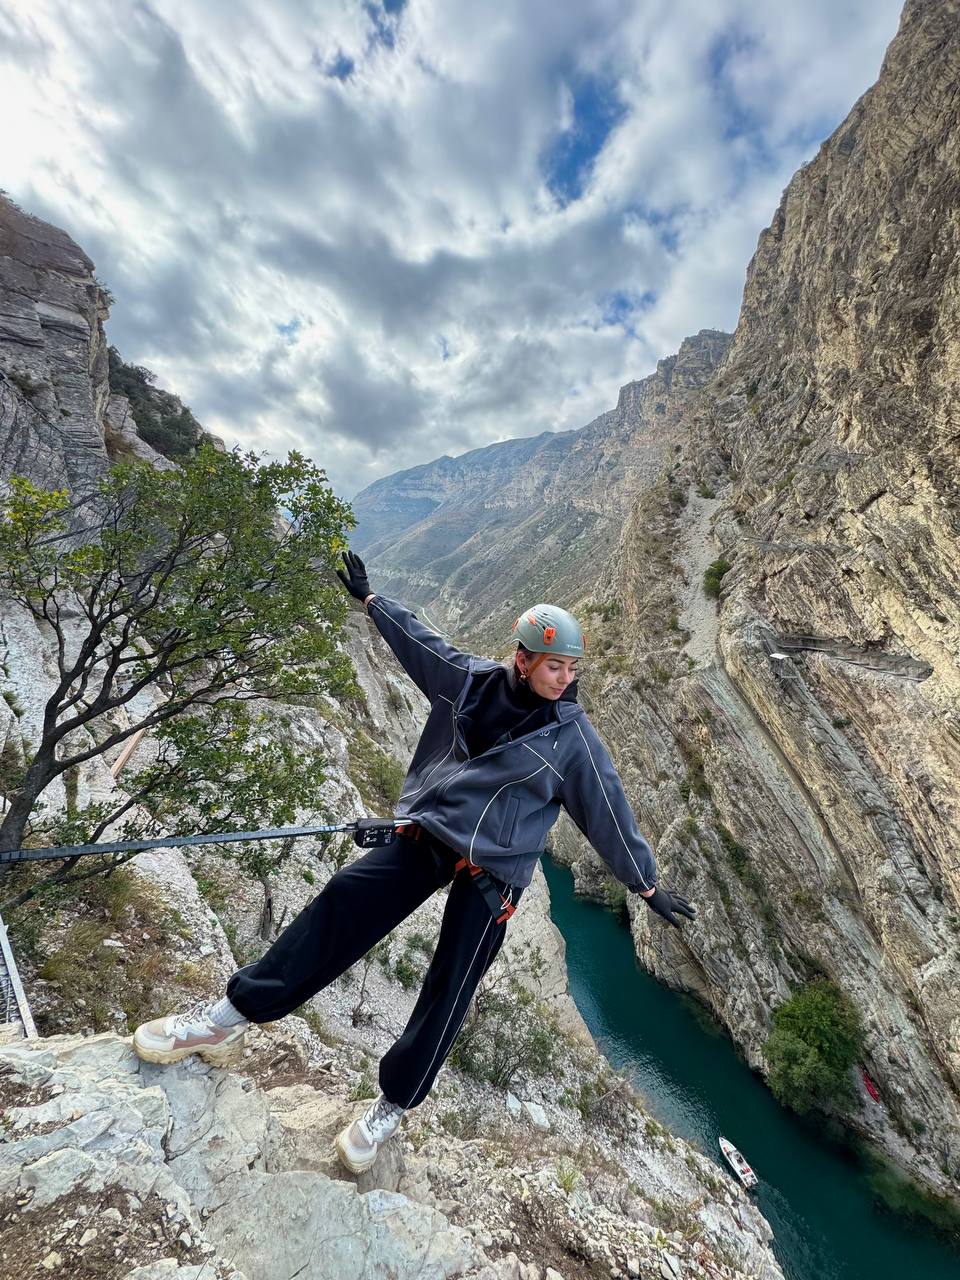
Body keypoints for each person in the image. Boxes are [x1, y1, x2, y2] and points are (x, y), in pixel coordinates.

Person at [133, 550, 694, 1173]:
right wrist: (372, 603)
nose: (565, 679)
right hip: (429, 835)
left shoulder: (573, 740)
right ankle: (230, 1016)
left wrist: (645, 886)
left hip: (493, 874)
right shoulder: (469, 682)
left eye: (572, 668)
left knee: (450, 987)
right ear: (523, 658)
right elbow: (420, 644)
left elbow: (608, 814)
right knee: (341, 904)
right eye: (555, 665)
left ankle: (389, 1108)